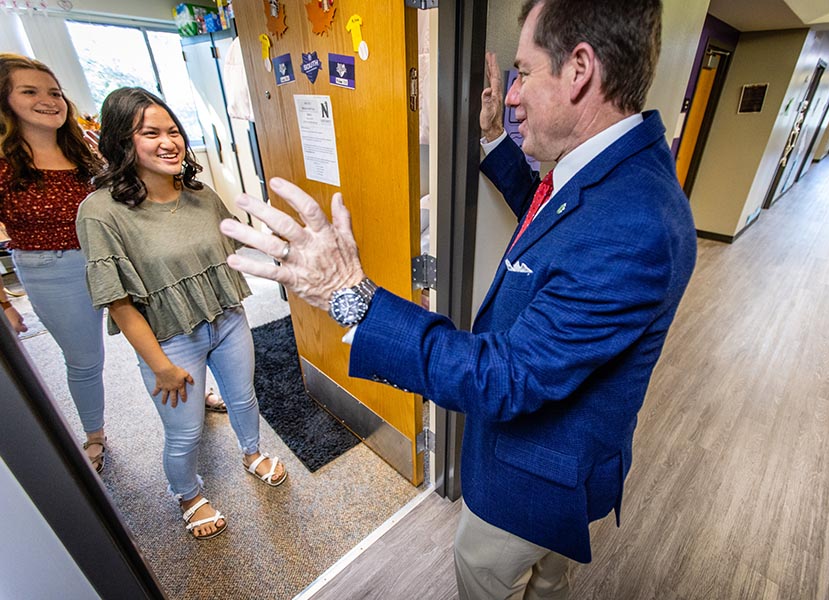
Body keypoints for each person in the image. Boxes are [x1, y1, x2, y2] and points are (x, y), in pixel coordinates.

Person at [221, 0, 696, 596]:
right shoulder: (616, 174)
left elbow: (506, 375)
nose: (514, 92)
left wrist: (351, 296)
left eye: (525, 72)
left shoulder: (634, 224)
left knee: (483, 570)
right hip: (563, 464)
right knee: (550, 578)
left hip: (535, 476)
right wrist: (496, 138)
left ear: (580, 69)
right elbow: (557, 228)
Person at [76, 87, 286, 540]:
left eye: (173, 130)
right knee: (186, 432)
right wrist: (161, 367)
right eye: (150, 132)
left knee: (244, 398)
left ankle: (251, 453)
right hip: (168, 339)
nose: (168, 141)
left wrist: (287, 252)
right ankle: (188, 494)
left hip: (226, 319)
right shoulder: (100, 213)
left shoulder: (199, 193)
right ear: (120, 140)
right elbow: (119, 301)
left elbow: (235, 239)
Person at [0, 53, 109, 472]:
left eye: (55, 92)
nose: (49, 100)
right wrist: (4, 304)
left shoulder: (86, 151)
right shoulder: (5, 166)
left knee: (162, 336)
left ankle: (187, 397)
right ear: (6, 101)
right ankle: (95, 435)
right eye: (30, 91)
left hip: (110, 258)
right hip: (51, 270)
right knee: (85, 359)